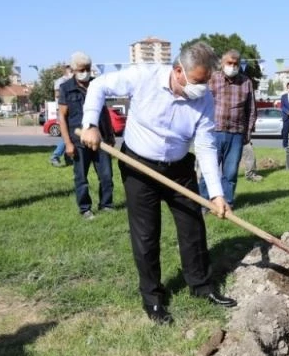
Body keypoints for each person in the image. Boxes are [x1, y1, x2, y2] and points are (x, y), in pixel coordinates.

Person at [79, 42, 236, 325]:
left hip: (179, 168)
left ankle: (200, 287)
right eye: (199, 81)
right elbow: (98, 86)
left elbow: (206, 146)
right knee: (146, 235)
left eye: (206, 82)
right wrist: (90, 124)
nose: (202, 88)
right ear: (178, 71)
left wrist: (216, 194)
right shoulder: (144, 76)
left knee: (192, 227)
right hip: (140, 166)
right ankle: (153, 299)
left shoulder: (204, 100)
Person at [57, 53, 114, 220]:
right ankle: (85, 209)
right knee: (81, 177)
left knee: (106, 176)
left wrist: (109, 135)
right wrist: (67, 143)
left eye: (88, 69)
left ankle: (106, 205)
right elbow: (62, 116)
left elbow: (104, 111)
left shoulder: (97, 84)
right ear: (74, 70)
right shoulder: (66, 88)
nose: (85, 72)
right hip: (78, 140)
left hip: (100, 138)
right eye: (82, 69)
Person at [198, 50, 256, 207]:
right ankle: (204, 203)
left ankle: (227, 203)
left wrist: (248, 133)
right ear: (222, 64)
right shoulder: (212, 79)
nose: (233, 66)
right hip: (213, 132)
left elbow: (251, 110)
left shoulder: (246, 82)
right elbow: (201, 104)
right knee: (208, 170)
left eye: (236, 63)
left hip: (236, 134)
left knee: (230, 173)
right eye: (229, 63)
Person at [50, 66, 73, 167]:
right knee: (66, 135)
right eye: (71, 70)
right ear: (66, 71)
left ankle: (68, 157)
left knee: (70, 135)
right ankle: (55, 156)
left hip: (70, 110)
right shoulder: (60, 81)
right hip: (63, 110)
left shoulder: (72, 81)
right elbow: (57, 94)